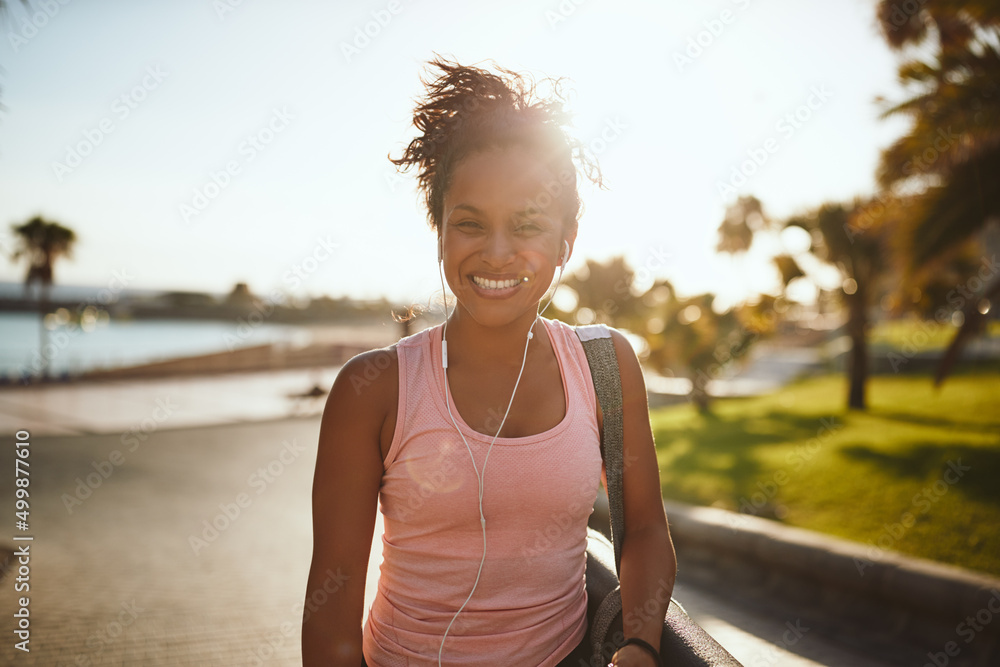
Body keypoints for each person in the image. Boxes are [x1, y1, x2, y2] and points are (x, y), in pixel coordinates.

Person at [302, 56, 676, 667]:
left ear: (565, 241)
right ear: (440, 232)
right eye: (470, 225)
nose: (497, 253)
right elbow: (330, 605)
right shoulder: (372, 390)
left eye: (526, 225)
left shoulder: (606, 366)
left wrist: (640, 644)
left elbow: (646, 534)